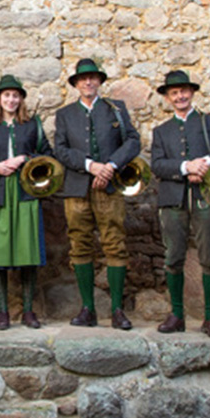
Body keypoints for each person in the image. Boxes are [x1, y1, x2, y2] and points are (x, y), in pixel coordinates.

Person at [150, 70, 210, 339]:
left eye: (184, 91)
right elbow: (157, 165)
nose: (180, 96)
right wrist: (184, 167)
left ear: (192, 93)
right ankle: (177, 314)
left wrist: (206, 162)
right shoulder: (161, 131)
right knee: (173, 256)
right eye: (174, 92)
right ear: (167, 97)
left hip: (204, 197)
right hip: (172, 198)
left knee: (209, 257)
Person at [53, 58, 141, 330]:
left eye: (92, 78)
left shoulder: (116, 109)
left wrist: (111, 166)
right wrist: (91, 166)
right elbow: (61, 149)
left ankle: (116, 310)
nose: (88, 82)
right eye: (83, 79)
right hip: (77, 188)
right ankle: (87, 308)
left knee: (114, 241)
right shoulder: (65, 114)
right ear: (76, 84)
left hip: (109, 186)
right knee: (79, 243)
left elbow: (133, 141)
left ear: (100, 81)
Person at [0, 75, 51, 330]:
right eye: (6, 95)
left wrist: (25, 158)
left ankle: (29, 311)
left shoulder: (32, 126)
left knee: (28, 251)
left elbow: (48, 156)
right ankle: (3, 312)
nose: (11, 99)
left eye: (15, 95)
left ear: (21, 99)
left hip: (26, 192)